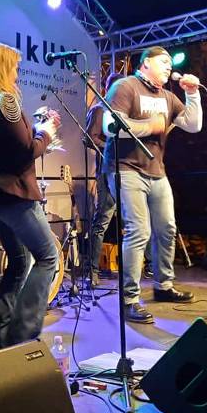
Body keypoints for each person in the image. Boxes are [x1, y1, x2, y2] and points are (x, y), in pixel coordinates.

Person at [0, 42, 59, 351]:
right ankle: (22, 336)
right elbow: (26, 150)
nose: (17, 73)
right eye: (15, 67)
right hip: (14, 195)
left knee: (19, 262)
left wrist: (37, 129)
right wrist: (46, 132)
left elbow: (11, 143)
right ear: (3, 68)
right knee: (48, 256)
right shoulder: (6, 100)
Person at [102, 46, 202, 323]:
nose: (169, 66)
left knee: (167, 228)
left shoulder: (168, 96)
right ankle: (129, 299)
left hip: (156, 171)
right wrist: (150, 126)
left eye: (170, 62)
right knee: (139, 231)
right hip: (125, 168)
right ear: (146, 63)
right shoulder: (126, 86)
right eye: (163, 61)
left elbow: (193, 125)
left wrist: (192, 94)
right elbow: (109, 126)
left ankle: (163, 286)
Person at [86, 72, 123, 286]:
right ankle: (92, 270)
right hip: (107, 171)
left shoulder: (124, 113)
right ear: (109, 89)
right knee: (102, 221)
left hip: (126, 171)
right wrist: (111, 148)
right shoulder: (100, 109)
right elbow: (89, 137)